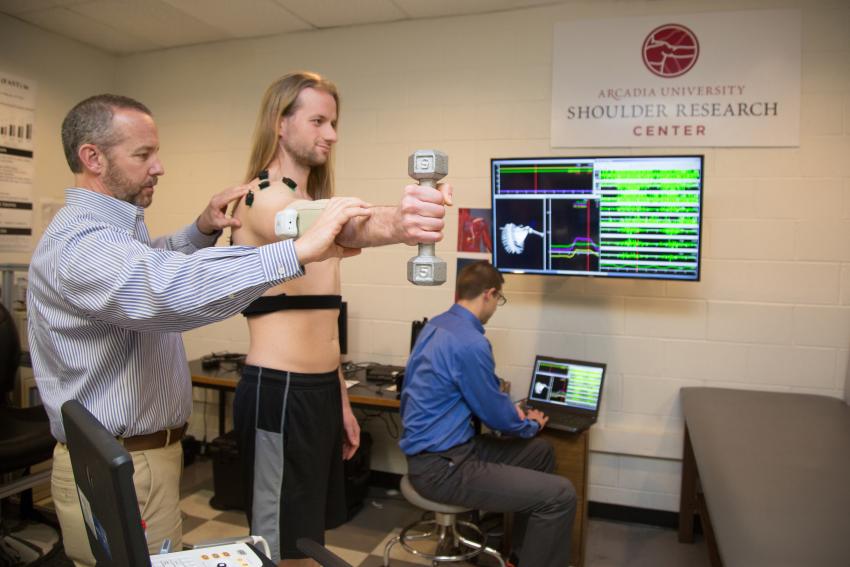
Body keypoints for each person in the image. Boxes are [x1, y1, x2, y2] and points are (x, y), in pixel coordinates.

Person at [26, 94, 441, 567]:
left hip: (149, 456)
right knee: (279, 543)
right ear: (92, 158)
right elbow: (166, 289)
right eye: (143, 155)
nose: (159, 167)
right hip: (123, 460)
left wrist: (199, 231)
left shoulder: (116, 232)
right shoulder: (80, 242)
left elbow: (151, 263)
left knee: (296, 536)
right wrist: (390, 224)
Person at [230, 71, 452, 565]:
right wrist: (400, 220)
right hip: (277, 394)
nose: (331, 133)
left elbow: (323, 325)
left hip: (316, 395)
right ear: (279, 124)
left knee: (307, 540)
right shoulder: (261, 198)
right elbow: (336, 225)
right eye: (318, 120)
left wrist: (342, 403)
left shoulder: (312, 207)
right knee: (275, 544)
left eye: (334, 122)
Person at [400, 261, 577, 567]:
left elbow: (476, 391)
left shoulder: (437, 326)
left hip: (445, 453)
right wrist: (528, 423)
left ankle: (519, 556)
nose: (496, 306)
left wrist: (511, 412)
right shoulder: (470, 342)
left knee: (540, 453)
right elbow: (497, 418)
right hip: (443, 468)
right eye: (499, 300)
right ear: (489, 294)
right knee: (560, 495)